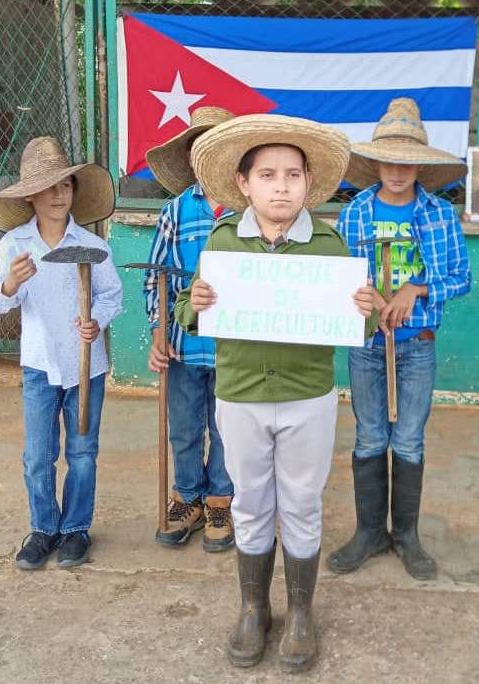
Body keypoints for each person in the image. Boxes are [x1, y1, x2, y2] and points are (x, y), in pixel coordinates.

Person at [175, 114, 375, 671]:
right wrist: (194, 301)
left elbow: (355, 325)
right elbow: (189, 313)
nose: (281, 186)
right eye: (267, 174)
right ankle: (253, 606)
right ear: (244, 184)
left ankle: (303, 613)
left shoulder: (332, 246)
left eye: (292, 174)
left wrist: (365, 310)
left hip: (307, 394)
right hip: (239, 394)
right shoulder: (221, 241)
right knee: (250, 501)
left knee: (303, 502)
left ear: (309, 182)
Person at [329, 97, 472, 581]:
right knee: (370, 434)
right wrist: (362, 294)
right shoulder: (355, 215)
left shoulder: (438, 215)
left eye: (406, 160)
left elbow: (461, 277)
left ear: (419, 165)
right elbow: (338, 278)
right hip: (368, 345)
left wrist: (418, 286)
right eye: (388, 159)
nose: (396, 169)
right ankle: (369, 532)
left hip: (418, 342)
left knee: (408, 438)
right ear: (376, 162)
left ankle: (406, 535)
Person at [0, 136, 122, 569]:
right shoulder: (15, 246)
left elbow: (112, 295)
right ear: (30, 196)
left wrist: (95, 320)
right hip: (40, 365)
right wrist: (11, 283)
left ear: (74, 191)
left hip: (87, 366)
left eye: (66, 185)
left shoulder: (93, 245)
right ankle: (43, 528)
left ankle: (76, 528)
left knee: (82, 451)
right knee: (38, 455)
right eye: (49, 187)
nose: (59, 195)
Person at [144, 106, 236, 552]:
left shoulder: (246, 212)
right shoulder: (176, 211)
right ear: (191, 157)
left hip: (234, 350)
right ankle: (188, 496)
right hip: (183, 347)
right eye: (200, 148)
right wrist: (159, 329)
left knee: (226, 428)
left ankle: (220, 497)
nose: (208, 156)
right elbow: (154, 278)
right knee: (183, 426)